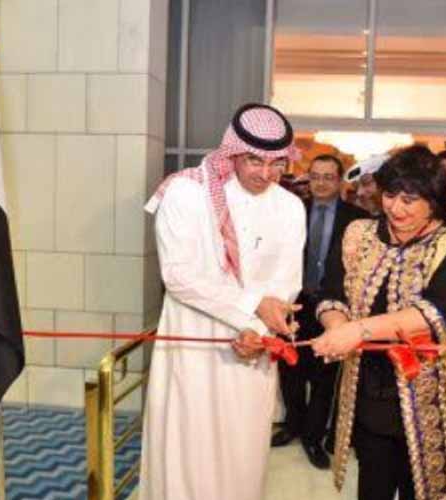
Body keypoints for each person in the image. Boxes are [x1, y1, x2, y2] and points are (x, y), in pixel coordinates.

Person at [138, 103, 306, 500]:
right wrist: (253, 308)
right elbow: (179, 276)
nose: (266, 174)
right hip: (194, 347)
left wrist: (259, 330)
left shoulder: (290, 206)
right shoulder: (186, 193)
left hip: (253, 350)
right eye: (254, 161)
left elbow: (286, 284)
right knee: (187, 450)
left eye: (277, 164)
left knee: (241, 455)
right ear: (232, 153)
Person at [313, 145, 446, 500]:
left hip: (430, 394)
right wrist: (336, 327)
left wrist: (356, 331)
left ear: (434, 201)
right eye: (390, 195)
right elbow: (332, 293)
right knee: (372, 484)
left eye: (409, 200)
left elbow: (434, 313)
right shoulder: (358, 234)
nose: (396, 208)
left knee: (422, 489)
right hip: (369, 388)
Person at [272, 154, 368, 469]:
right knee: (290, 370)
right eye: (315, 176)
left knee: (325, 376)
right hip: (293, 304)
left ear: (340, 181)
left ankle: (313, 437)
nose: (321, 183)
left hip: (335, 308)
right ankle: (293, 425)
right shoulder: (292, 212)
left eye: (328, 177)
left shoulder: (358, 219)